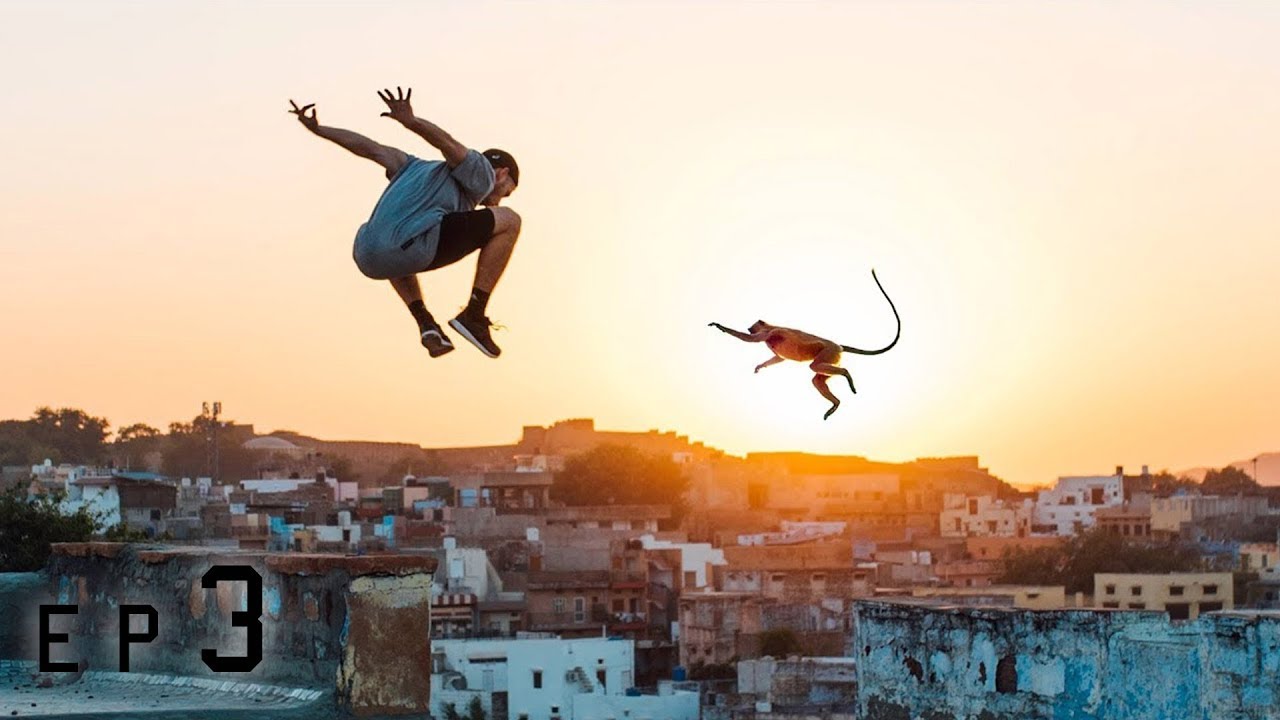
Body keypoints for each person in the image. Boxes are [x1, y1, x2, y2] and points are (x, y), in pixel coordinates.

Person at [289, 87, 521, 358]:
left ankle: (425, 323)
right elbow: (446, 143)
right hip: (414, 245)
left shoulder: (410, 166)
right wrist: (411, 122)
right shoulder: (482, 174)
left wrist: (319, 130)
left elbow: (370, 149)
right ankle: (474, 314)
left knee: (404, 234)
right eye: (506, 191)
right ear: (502, 173)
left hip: (367, 254)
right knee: (510, 221)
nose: (498, 201)